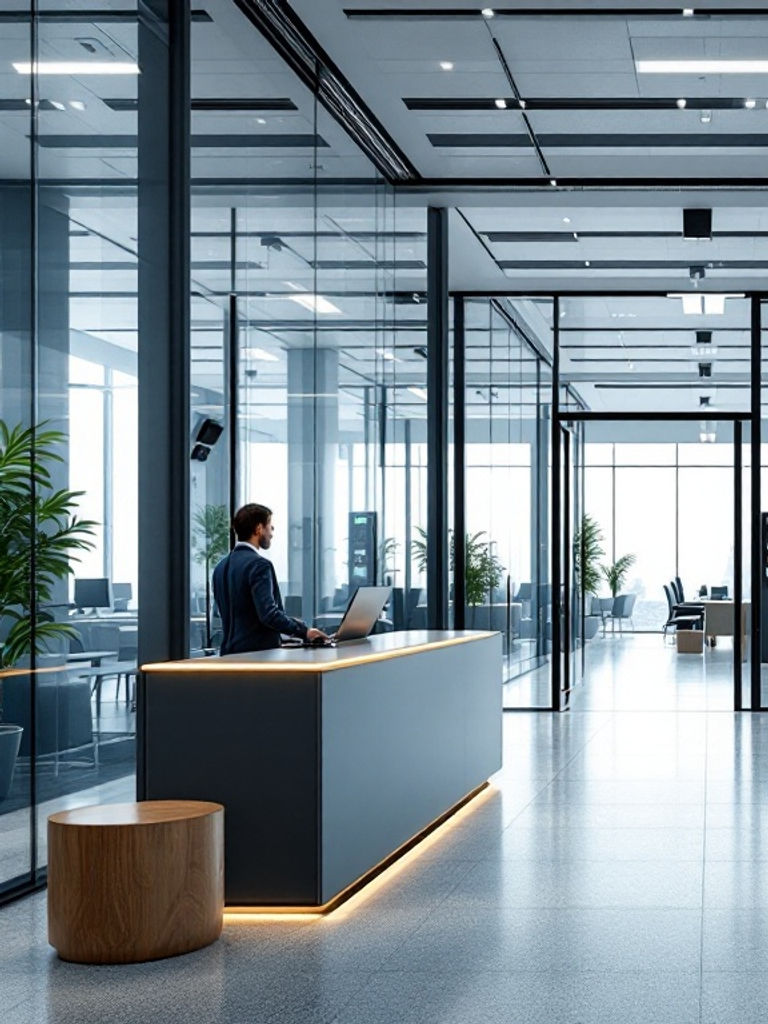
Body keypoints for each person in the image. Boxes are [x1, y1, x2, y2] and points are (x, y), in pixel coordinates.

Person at [212, 503, 328, 654]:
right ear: (259, 529)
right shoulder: (259, 565)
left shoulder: (220, 567)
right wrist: (305, 631)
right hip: (257, 656)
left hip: (229, 655)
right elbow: (269, 615)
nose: (272, 533)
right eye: (270, 527)